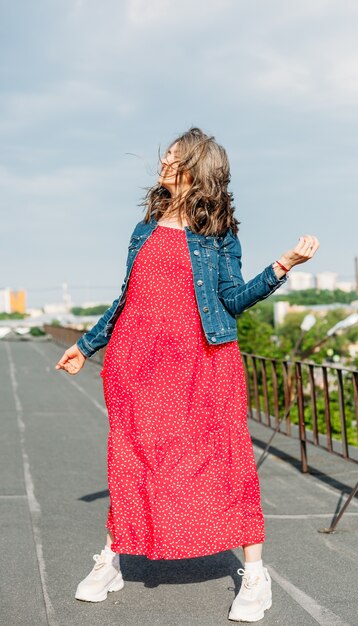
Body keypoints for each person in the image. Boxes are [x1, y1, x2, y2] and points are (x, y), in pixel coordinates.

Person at [55, 127, 319, 622]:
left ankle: (255, 577)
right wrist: (85, 346)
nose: (162, 165)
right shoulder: (144, 229)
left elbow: (232, 301)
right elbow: (125, 300)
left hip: (202, 364)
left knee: (225, 458)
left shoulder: (219, 237)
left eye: (172, 160)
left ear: (196, 171)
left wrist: (283, 266)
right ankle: (111, 561)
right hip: (136, 363)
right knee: (130, 459)